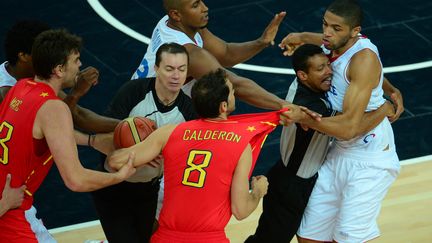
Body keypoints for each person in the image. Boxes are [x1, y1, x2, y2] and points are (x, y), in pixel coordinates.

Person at [108, 68, 285, 242]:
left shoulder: (169, 133)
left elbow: (115, 161)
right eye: (232, 91)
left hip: (167, 237)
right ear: (223, 106)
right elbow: (240, 210)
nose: (235, 93)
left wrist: (135, 141)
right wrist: (258, 191)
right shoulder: (241, 145)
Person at [279, 1, 401, 242]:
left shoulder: (362, 59)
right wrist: (301, 36)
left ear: (355, 31)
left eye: (335, 28)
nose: (327, 33)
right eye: (325, 24)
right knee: (308, 236)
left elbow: (349, 129)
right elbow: (328, 42)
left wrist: (305, 117)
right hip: (338, 152)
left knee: (346, 238)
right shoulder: (335, 43)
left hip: (369, 158)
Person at [246, 44, 395, 243]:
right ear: (303, 75)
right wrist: (385, 108)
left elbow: (347, 52)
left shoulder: (300, 82)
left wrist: (302, 37)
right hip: (293, 185)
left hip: (290, 174)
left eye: (327, 65)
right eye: (320, 69)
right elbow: (351, 127)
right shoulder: (314, 108)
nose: (328, 72)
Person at [0, 29, 136, 242]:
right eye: (76, 60)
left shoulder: (19, 88)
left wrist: (91, 141)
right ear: (59, 69)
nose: (80, 65)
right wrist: (120, 176)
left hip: (10, 201)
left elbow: (46, 132)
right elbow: (76, 180)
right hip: (10, 212)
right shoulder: (53, 107)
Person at [132, 0, 319, 122]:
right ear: (176, 14)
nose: (205, 8)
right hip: (149, 119)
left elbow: (226, 53)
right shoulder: (189, 53)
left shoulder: (174, 23)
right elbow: (234, 84)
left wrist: (260, 42)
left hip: (140, 100)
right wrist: (284, 105)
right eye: (195, 5)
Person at [91, 42, 198, 243]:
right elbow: (105, 137)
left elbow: (191, 154)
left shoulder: (189, 111)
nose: (176, 76)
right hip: (113, 187)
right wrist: (141, 152)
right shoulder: (133, 93)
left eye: (181, 69)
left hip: (148, 190)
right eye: (169, 69)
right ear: (156, 68)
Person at [0, 20, 119, 133]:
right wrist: (75, 93)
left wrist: (128, 124)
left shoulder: (35, 75)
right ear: (24, 56)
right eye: (40, 51)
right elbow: (53, 125)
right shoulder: (6, 94)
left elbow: (78, 115)